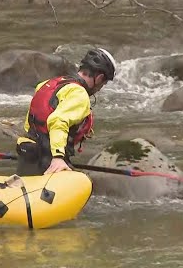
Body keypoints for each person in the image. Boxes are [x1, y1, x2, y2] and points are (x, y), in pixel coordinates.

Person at [15, 47, 117, 176]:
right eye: (103, 83)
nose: (100, 88)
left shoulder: (51, 83)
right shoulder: (79, 93)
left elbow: (32, 119)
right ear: (100, 78)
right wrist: (58, 158)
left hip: (29, 153)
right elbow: (58, 121)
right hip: (49, 162)